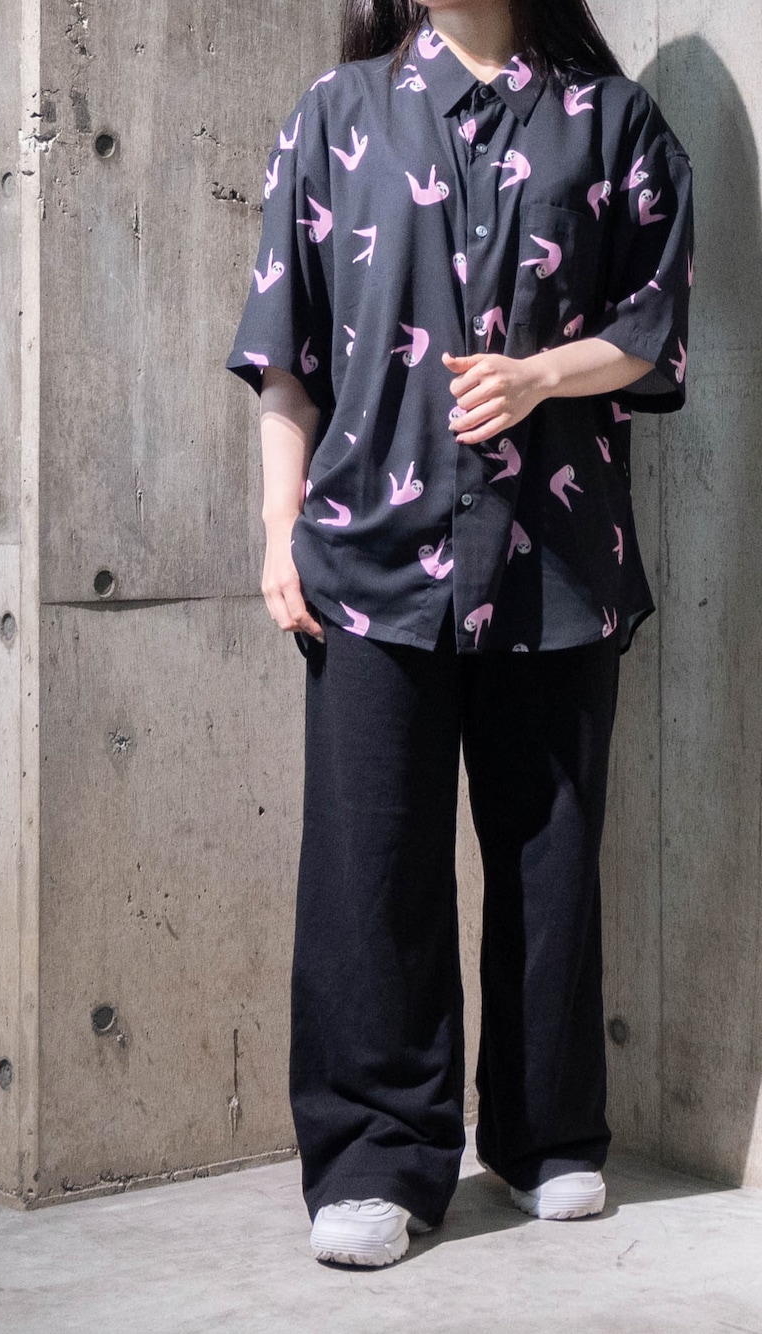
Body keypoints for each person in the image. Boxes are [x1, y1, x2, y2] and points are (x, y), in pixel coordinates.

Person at [227, 0, 692, 1267]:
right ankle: (376, 1154)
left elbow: (651, 325)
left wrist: (538, 374)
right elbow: (284, 353)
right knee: (370, 865)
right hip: (370, 556)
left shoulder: (614, 125)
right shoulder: (337, 117)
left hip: (556, 556)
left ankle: (546, 1132)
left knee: (550, 853)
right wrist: (277, 527)